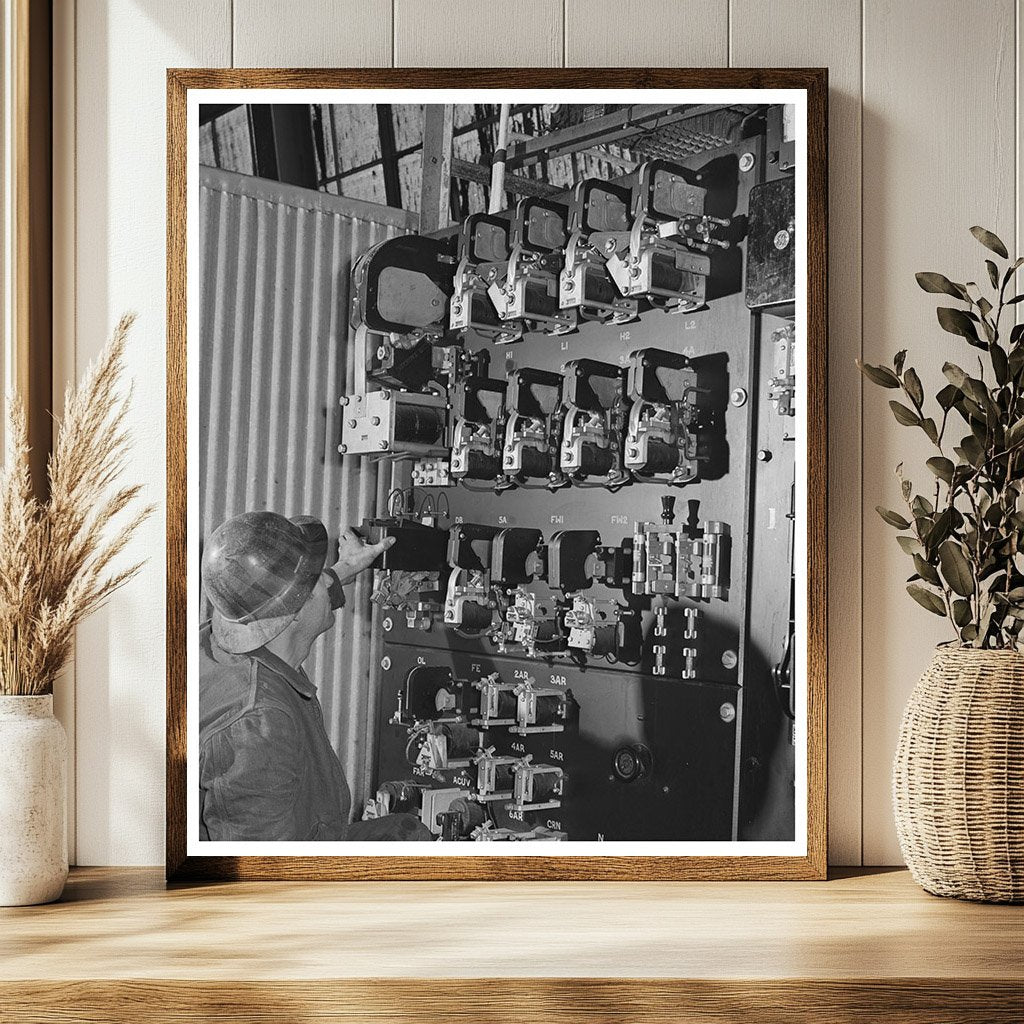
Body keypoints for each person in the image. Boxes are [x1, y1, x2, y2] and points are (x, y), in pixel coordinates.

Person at [198, 511, 431, 842]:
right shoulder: (258, 726)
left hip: (304, 832)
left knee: (404, 832)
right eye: (316, 578)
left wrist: (345, 568)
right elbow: (262, 875)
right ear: (292, 615)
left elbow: (297, 602)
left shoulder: (225, 634)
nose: (326, 579)